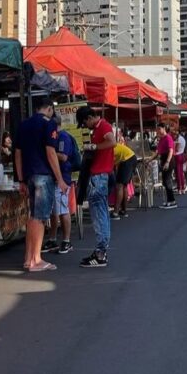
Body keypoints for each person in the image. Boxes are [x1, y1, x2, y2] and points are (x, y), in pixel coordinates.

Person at [15, 98, 67, 273]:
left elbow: (17, 154)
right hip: (43, 175)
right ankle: (35, 260)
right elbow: (51, 152)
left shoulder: (23, 125)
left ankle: (28, 257)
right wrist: (60, 178)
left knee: (32, 217)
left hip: (29, 175)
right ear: (50, 109)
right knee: (40, 217)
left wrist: (20, 179)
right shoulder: (49, 124)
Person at [76, 105, 117, 266]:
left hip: (99, 176)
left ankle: (100, 253)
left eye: (84, 123)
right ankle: (101, 250)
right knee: (101, 213)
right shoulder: (101, 128)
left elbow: (112, 142)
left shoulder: (104, 126)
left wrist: (94, 147)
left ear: (89, 118)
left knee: (99, 215)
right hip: (99, 176)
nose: (85, 126)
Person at [46, 117, 79, 254]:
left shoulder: (63, 137)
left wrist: (48, 152)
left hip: (63, 177)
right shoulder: (55, 137)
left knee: (63, 209)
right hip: (54, 176)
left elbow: (63, 156)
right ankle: (53, 238)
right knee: (54, 210)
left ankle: (66, 240)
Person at [152, 121, 177, 210]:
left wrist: (167, 162)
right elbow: (158, 152)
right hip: (163, 159)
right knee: (165, 181)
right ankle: (170, 200)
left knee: (167, 181)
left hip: (168, 160)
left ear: (164, 129)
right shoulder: (161, 139)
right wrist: (150, 160)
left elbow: (171, 151)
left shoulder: (168, 138)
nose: (158, 131)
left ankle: (172, 201)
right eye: (157, 129)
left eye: (159, 129)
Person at [112, 135, 137, 218]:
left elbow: (110, 164)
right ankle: (123, 210)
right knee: (124, 186)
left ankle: (116, 212)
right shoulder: (112, 144)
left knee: (120, 185)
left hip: (127, 160)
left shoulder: (109, 148)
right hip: (130, 158)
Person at [174, 129, 187, 194]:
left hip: (177, 156)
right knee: (181, 173)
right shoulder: (182, 138)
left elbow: (176, 149)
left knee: (178, 173)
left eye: (175, 133)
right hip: (181, 155)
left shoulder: (179, 139)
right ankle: (183, 188)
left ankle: (179, 188)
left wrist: (173, 146)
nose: (174, 134)